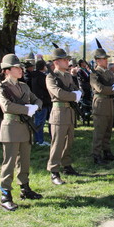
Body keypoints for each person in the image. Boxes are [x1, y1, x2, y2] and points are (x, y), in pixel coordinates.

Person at [0, 54, 42, 211]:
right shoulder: (1, 87)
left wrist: (35, 106)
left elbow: (37, 99)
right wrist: (26, 109)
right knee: (9, 163)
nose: (20, 70)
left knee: (25, 160)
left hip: (25, 126)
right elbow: (7, 106)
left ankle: (25, 188)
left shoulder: (24, 86)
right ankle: (5, 195)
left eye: (20, 67)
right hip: (11, 126)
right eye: (16, 67)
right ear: (7, 70)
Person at [46, 48, 82, 185]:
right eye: (64, 59)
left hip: (69, 112)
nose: (68, 61)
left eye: (67, 59)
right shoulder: (50, 77)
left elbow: (75, 87)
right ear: (56, 62)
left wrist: (76, 93)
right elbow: (58, 93)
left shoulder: (67, 76)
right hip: (59, 112)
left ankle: (66, 165)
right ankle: (54, 170)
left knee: (69, 141)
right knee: (57, 143)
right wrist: (74, 96)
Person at [90, 43, 114, 164]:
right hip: (100, 103)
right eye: (104, 59)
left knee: (108, 129)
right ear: (97, 60)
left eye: (106, 58)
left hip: (109, 103)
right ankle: (96, 155)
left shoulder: (108, 72)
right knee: (100, 131)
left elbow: (113, 82)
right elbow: (100, 88)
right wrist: (113, 89)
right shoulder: (94, 74)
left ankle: (107, 151)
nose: (106, 60)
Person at [31, 60, 51, 146]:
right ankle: (40, 140)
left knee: (37, 121)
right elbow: (46, 88)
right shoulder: (41, 77)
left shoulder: (34, 75)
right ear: (43, 67)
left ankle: (36, 139)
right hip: (42, 102)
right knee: (40, 122)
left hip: (37, 101)